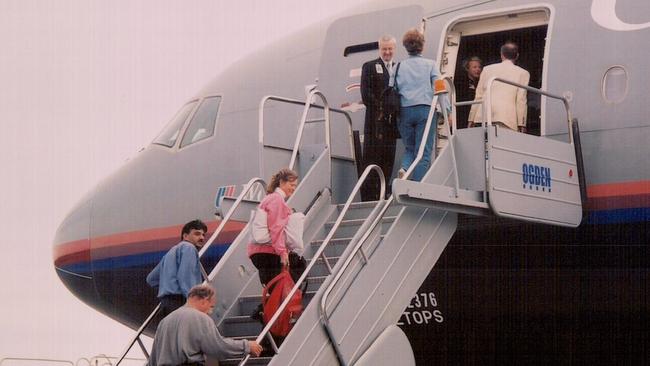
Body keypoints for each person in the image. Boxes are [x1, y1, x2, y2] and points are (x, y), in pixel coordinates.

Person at [148, 284, 263, 366]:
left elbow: (153, 358)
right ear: (204, 300)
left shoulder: (165, 321)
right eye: (211, 306)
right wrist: (246, 345)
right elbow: (217, 347)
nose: (210, 312)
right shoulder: (200, 318)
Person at [395, 29, 450, 182]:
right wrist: (446, 110)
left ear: (406, 47)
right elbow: (440, 88)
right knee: (424, 152)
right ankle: (418, 185)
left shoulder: (398, 67)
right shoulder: (430, 65)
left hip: (404, 112)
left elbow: (392, 89)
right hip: (425, 111)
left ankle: (404, 168)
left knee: (410, 148)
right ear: (422, 46)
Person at [360, 35, 399, 200]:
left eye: (390, 49)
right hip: (375, 123)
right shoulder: (369, 67)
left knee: (389, 157)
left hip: (391, 124)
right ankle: (371, 194)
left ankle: (384, 191)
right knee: (373, 157)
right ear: (380, 49)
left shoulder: (398, 68)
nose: (387, 52)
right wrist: (381, 108)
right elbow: (366, 94)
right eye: (384, 49)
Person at [247, 168, 299, 286]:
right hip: (268, 252)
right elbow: (276, 228)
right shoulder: (277, 200)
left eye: (295, 185)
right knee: (290, 277)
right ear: (282, 182)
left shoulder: (268, 198)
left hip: (258, 252)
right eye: (291, 184)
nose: (294, 188)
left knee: (272, 288)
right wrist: (282, 252)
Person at [146, 219, 208, 317]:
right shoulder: (189, 248)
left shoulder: (170, 252)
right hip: (181, 302)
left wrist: (168, 286)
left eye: (203, 235)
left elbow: (151, 279)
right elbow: (186, 277)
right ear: (185, 236)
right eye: (197, 234)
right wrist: (194, 303)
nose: (202, 237)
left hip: (166, 303)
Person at [468, 42, 530, 133]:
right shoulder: (523, 73)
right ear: (517, 56)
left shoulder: (487, 69)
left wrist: (471, 119)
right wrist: (522, 123)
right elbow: (521, 100)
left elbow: (478, 96)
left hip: (483, 116)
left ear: (502, 55)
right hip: (506, 118)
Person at [455, 56, 482, 129]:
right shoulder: (460, 83)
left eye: (479, 67)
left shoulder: (481, 83)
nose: (478, 69)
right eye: (474, 67)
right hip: (463, 116)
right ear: (467, 69)